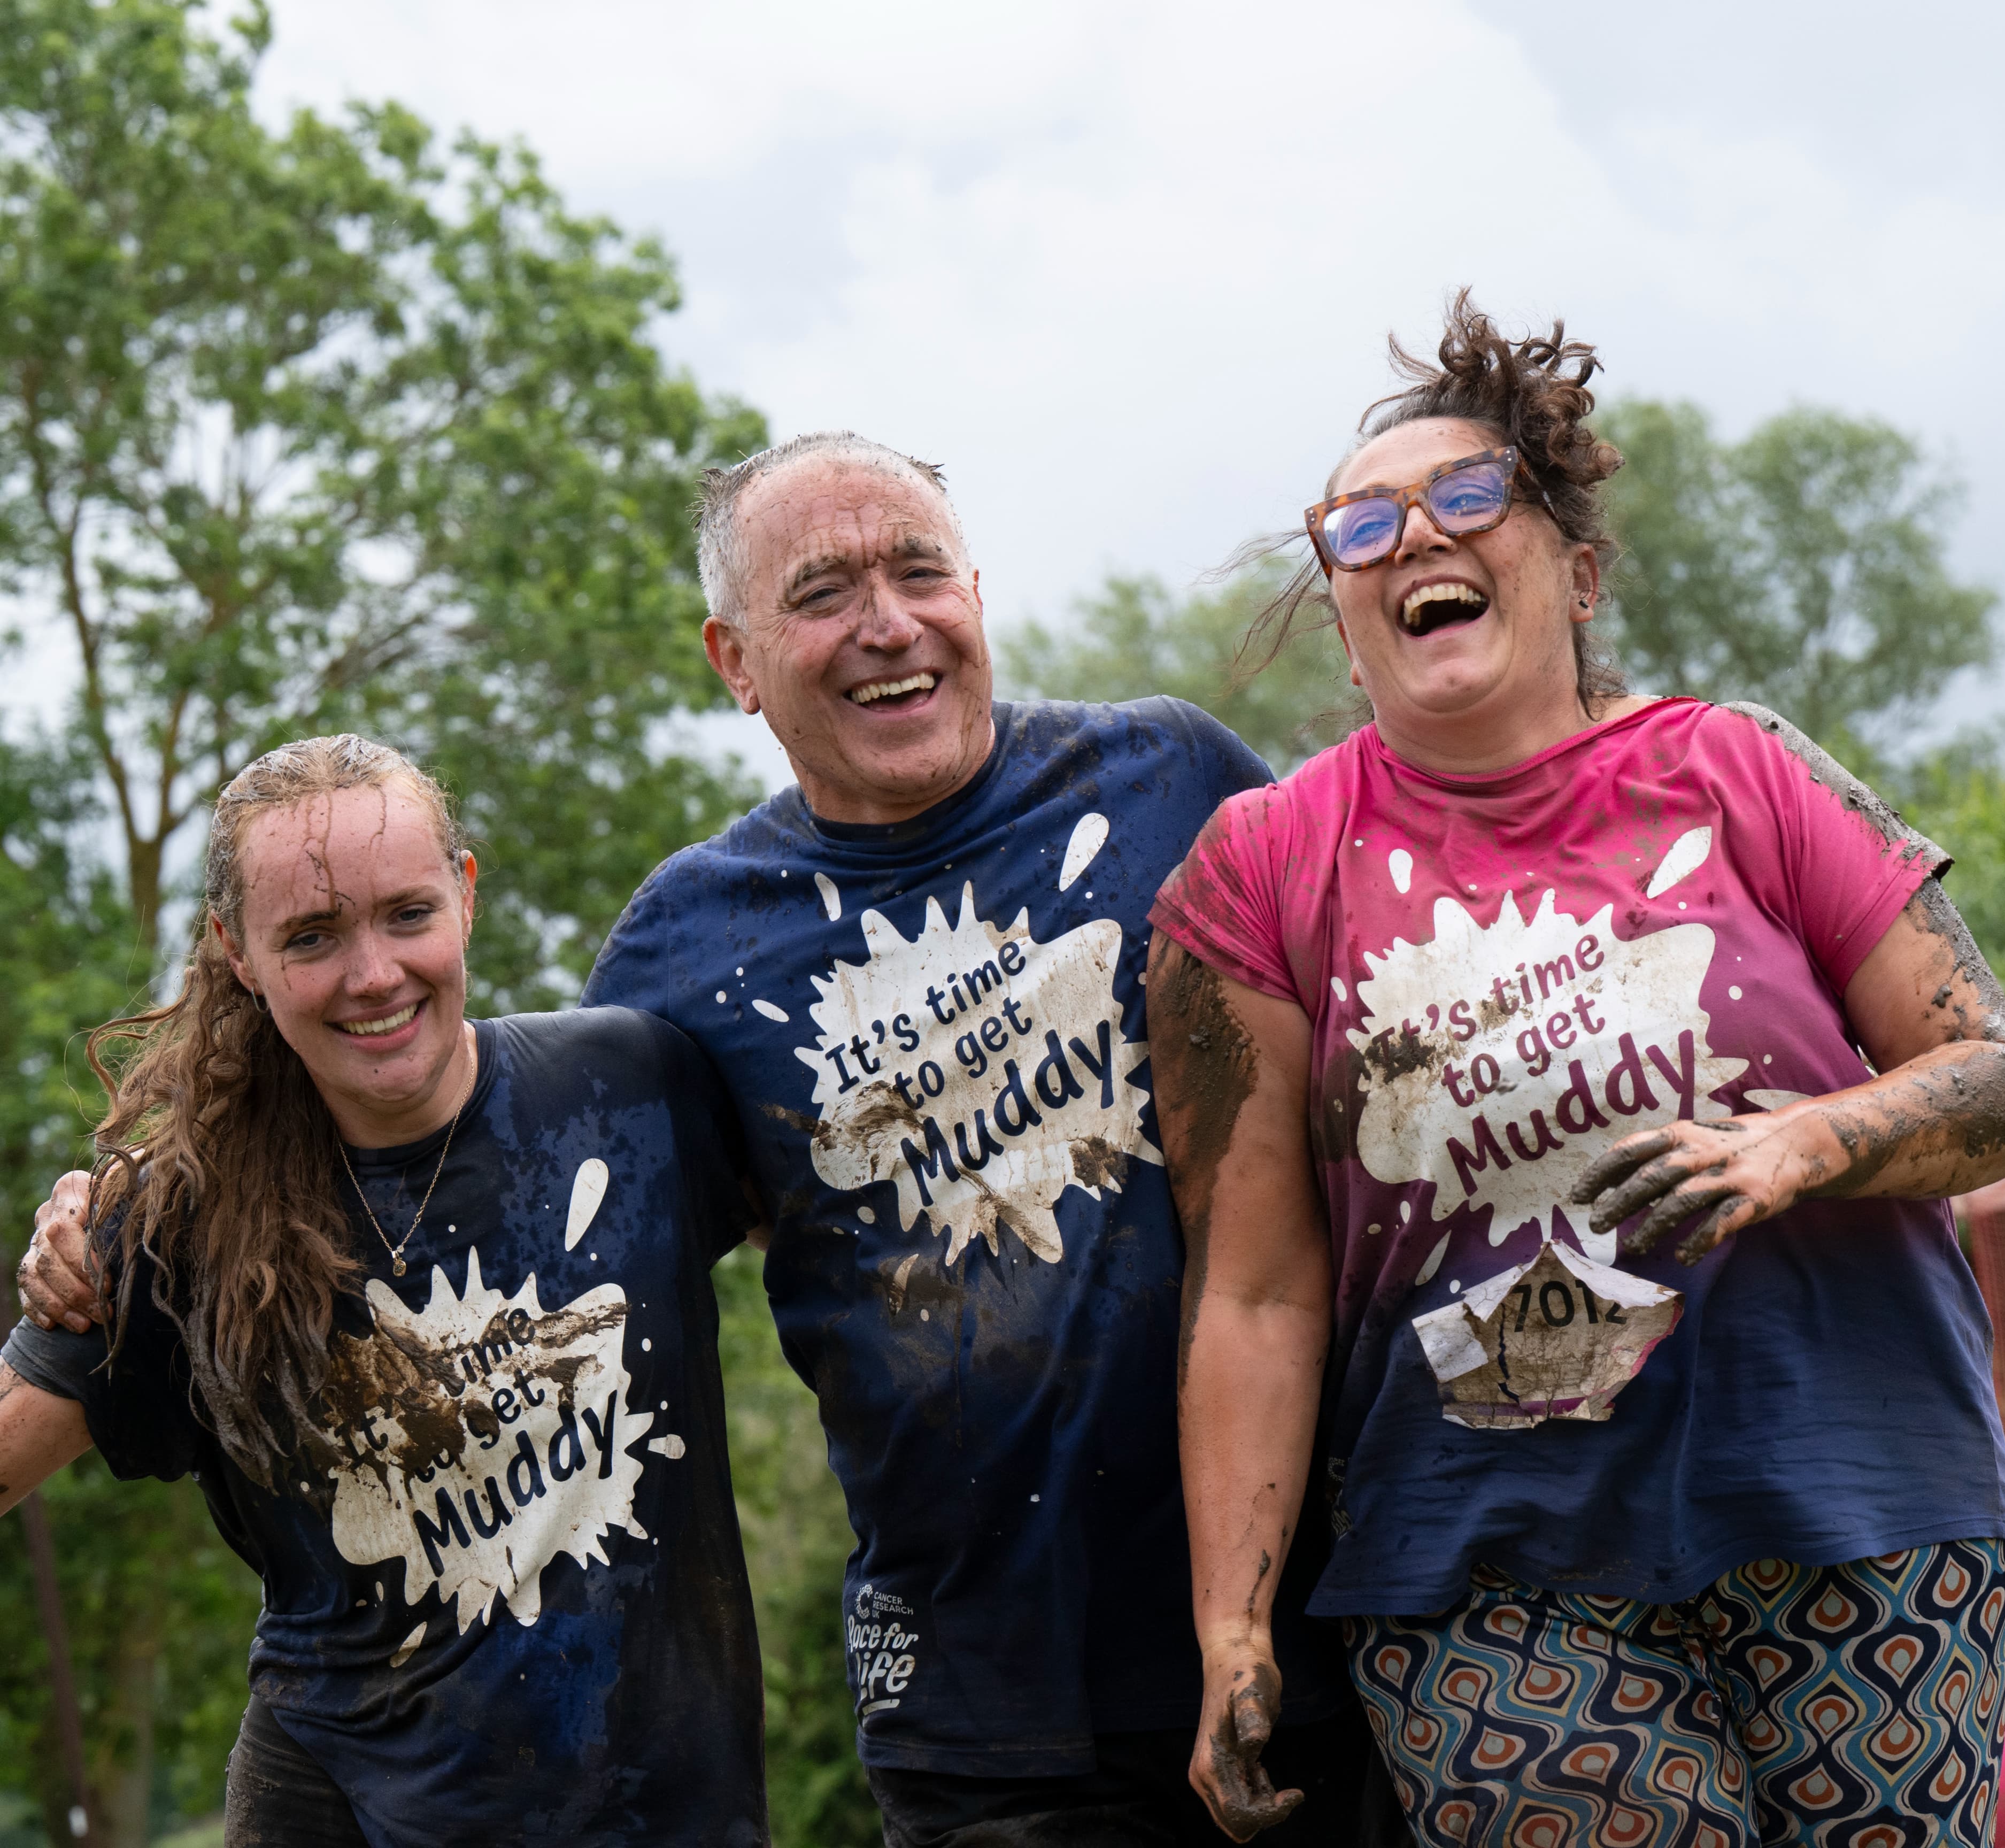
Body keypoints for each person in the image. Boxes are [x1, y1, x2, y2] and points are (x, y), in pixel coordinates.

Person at [22, 435, 1397, 1846]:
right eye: (822, 593)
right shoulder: (687, 953)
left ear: (976, 592)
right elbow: (460, 1162)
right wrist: (140, 1209)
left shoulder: (1181, 780)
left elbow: (1406, 1024)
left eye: (920, 572)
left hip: (1325, 1603)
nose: (887, 624)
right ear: (733, 662)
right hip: (991, 1711)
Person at [1146, 296, 2005, 1847]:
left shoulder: (1741, 765)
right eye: (1363, 524)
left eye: (1468, 498)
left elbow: (2002, 1084)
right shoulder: (1259, 872)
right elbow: (1253, 1289)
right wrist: (1232, 1624)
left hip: (1863, 1503)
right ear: (1343, 600)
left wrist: (1801, 1149)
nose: (1413, 534)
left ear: (1570, 573)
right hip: (1482, 1559)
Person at [2, 736, 766, 1848]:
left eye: (406, 914)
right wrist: (70, 1255)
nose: (373, 974)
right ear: (238, 953)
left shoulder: (634, 1089)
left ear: (464, 895)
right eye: (311, 936)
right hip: (344, 1811)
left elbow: (862, 1224)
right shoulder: (180, 1225)